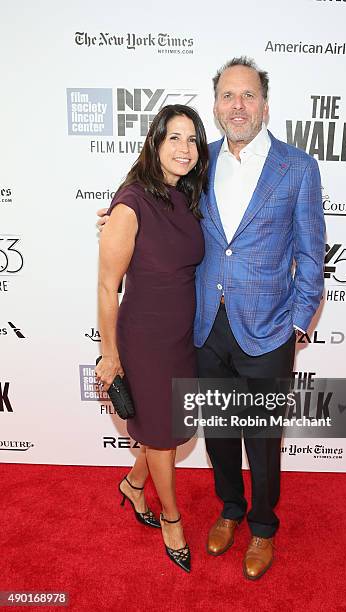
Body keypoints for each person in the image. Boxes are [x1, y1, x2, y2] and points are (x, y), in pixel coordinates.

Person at [98, 57, 325, 580]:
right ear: (217, 106)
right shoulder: (200, 163)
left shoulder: (298, 167)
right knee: (220, 431)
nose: (237, 105)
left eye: (248, 96)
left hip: (268, 328)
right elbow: (155, 206)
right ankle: (230, 509)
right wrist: (119, 214)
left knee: (263, 439)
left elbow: (313, 253)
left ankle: (264, 527)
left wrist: (297, 323)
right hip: (203, 326)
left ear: (265, 105)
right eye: (227, 96)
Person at [95, 104, 208, 573]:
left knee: (166, 429)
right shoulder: (132, 201)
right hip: (144, 339)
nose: (184, 149)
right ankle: (172, 519)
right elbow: (107, 285)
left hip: (182, 336)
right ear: (155, 143)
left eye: (192, 140)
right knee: (163, 437)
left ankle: (133, 485)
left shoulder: (188, 196)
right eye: (174, 138)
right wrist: (109, 356)